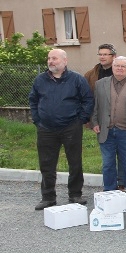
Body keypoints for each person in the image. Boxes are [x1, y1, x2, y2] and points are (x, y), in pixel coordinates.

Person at [29, 49, 94, 210]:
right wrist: (38, 120)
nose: (51, 61)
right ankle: (48, 197)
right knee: (46, 164)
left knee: (75, 162)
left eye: (55, 58)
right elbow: (33, 100)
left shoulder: (76, 79)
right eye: (49, 58)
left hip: (71, 127)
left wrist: (81, 119)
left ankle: (75, 194)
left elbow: (87, 99)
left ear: (65, 61)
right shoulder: (40, 80)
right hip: (46, 129)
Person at [90, 56, 126, 198]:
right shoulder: (100, 84)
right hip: (105, 129)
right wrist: (94, 122)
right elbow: (95, 105)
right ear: (112, 67)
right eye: (117, 66)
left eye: (123, 66)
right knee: (108, 163)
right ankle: (109, 190)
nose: (120, 69)